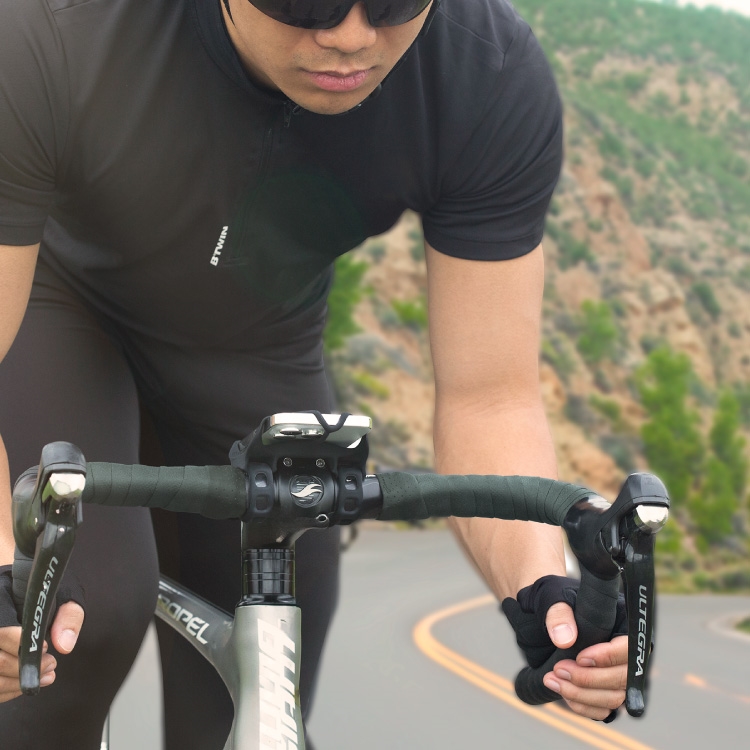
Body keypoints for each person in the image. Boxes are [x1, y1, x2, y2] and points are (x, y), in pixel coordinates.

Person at [0, 0, 629, 747]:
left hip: (256, 345)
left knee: (272, 659)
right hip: (51, 303)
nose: (351, 35)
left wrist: (543, 590)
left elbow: (489, 399)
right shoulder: (55, 26)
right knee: (67, 622)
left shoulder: (485, 76)